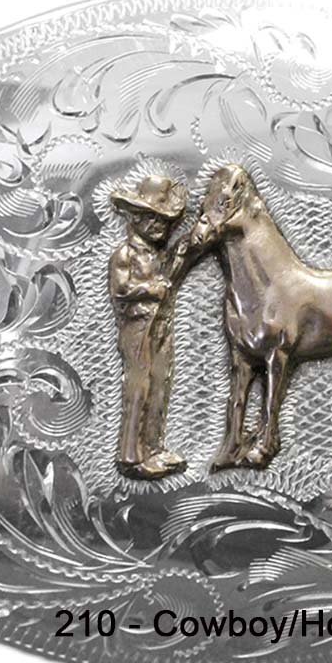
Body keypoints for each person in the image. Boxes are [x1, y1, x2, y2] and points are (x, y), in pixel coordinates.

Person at [108, 175, 197, 479]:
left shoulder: (157, 255)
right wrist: (149, 288)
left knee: (160, 384)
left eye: (165, 220)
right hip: (137, 329)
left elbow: (170, 278)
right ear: (134, 218)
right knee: (139, 387)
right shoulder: (125, 254)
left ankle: (154, 448)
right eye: (152, 218)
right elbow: (120, 290)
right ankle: (131, 456)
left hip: (160, 326)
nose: (160, 226)